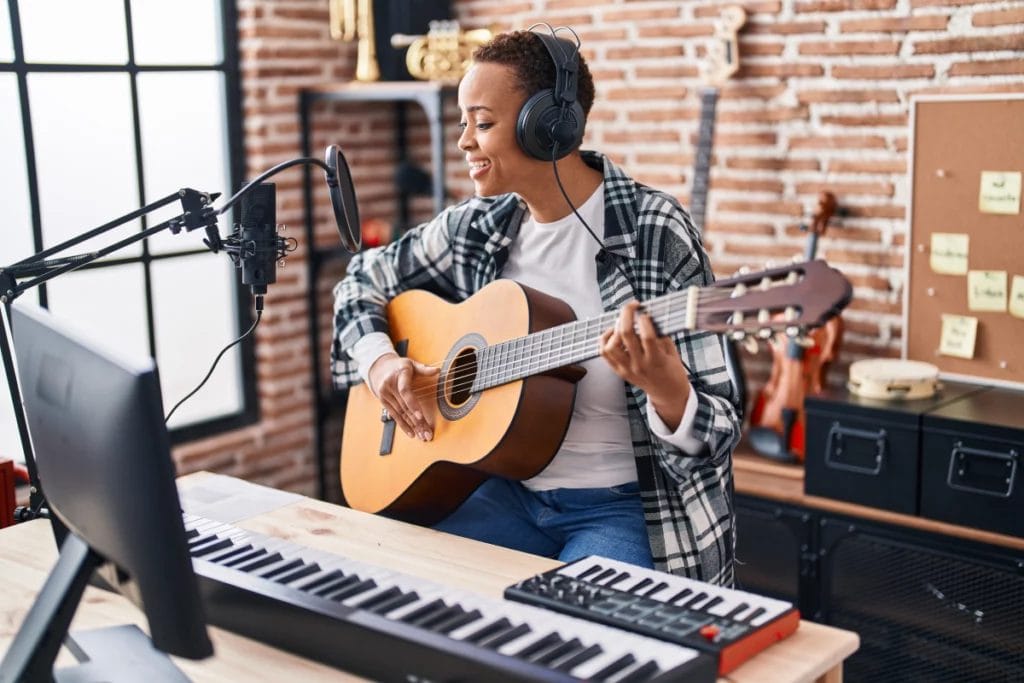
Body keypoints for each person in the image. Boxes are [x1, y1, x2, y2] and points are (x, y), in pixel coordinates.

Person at [331, 26, 742, 585]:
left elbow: (719, 428)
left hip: (625, 508)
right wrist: (380, 361)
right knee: (391, 582)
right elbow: (360, 279)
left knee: (576, 645)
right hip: (503, 490)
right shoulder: (479, 226)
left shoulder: (652, 229)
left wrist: (669, 390)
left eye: (482, 123)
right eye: (462, 123)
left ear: (549, 127)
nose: (463, 142)